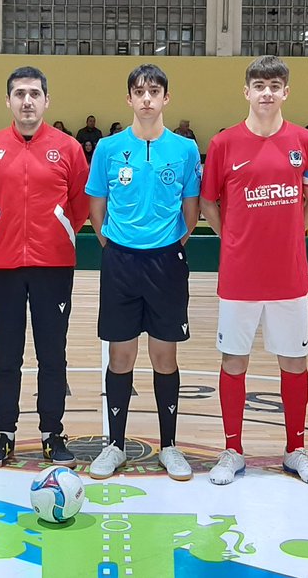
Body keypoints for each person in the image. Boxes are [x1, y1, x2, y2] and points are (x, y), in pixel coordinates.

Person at [199, 55, 308, 487]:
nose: (267, 92)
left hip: (289, 276)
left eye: (275, 85)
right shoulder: (223, 144)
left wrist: (289, 235)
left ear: (285, 92)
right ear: (247, 91)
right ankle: (233, 449)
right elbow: (209, 204)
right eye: (259, 85)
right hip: (238, 276)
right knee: (234, 362)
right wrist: (234, 238)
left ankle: (296, 449)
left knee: (294, 361)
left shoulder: (305, 141)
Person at [85, 63, 201, 481]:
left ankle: (169, 446)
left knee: (163, 356)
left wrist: (169, 247)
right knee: (121, 355)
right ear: (129, 99)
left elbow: (192, 211)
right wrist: (113, 245)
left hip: (167, 263)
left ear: (166, 98)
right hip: (120, 262)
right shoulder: (108, 148)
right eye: (140, 91)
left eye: (155, 91)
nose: (147, 98)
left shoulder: (185, 150)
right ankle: (114, 445)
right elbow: (96, 206)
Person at [0, 66, 90, 470]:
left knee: (52, 354)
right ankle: (4, 432)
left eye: (34, 93)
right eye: (19, 93)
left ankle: (51, 433)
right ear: (8, 100)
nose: (27, 100)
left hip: (53, 265)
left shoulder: (70, 148)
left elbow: (79, 205)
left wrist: (58, 229)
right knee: (6, 354)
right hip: (1, 264)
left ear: (46, 101)